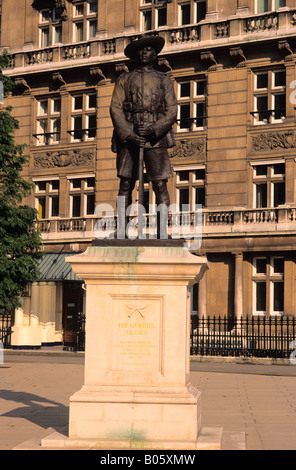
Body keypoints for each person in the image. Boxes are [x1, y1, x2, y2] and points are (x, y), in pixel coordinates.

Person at [110, 34, 177, 237]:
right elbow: (115, 108)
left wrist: (154, 128)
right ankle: (122, 229)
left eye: (148, 49)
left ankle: (162, 231)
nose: (144, 52)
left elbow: (172, 110)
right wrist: (129, 134)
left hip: (156, 139)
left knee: (159, 184)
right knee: (126, 184)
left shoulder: (164, 80)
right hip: (128, 139)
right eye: (141, 49)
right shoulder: (124, 80)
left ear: (155, 54)